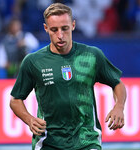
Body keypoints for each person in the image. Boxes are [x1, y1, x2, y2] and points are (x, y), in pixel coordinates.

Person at [10, 3, 126, 150]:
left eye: (64, 28)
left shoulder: (92, 55)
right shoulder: (33, 61)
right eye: (54, 30)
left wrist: (119, 106)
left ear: (73, 25)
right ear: (46, 29)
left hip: (86, 139)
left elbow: (117, 83)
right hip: (49, 141)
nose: (60, 35)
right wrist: (29, 119)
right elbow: (15, 100)